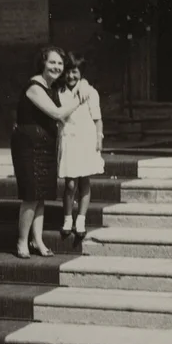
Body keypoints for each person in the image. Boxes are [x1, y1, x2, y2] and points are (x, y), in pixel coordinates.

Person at [11, 46, 89, 258]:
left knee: (42, 195)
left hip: (45, 146)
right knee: (30, 195)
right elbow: (56, 113)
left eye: (60, 64)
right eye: (52, 62)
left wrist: (83, 83)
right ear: (43, 64)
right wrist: (78, 99)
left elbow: (80, 80)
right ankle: (21, 241)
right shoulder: (35, 86)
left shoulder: (53, 86)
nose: (57, 67)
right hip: (28, 145)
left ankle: (37, 241)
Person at [57, 52, 104, 239]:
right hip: (69, 140)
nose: (71, 76)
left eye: (75, 72)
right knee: (69, 184)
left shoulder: (90, 92)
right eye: (68, 72)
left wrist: (99, 139)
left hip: (86, 140)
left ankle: (81, 219)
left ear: (81, 73)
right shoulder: (59, 92)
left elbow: (98, 119)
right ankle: (67, 217)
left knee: (84, 181)